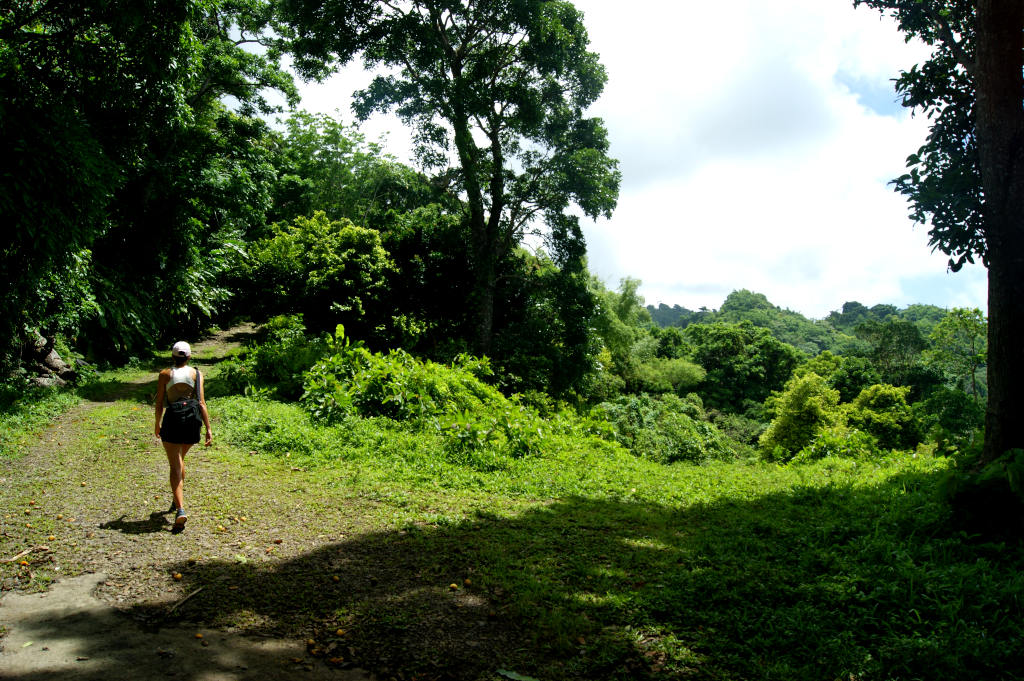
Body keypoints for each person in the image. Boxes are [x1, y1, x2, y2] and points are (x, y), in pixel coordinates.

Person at [154, 341, 212, 529]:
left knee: (175, 465)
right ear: (189, 357)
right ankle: (175, 498)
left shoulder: (165, 374)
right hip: (191, 422)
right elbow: (201, 403)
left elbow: (160, 402)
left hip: (173, 420)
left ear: (173, 356)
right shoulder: (197, 373)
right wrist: (208, 428)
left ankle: (180, 509)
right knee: (179, 459)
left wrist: (157, 423)